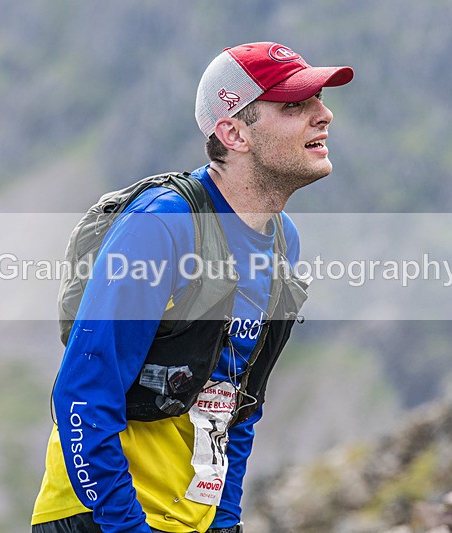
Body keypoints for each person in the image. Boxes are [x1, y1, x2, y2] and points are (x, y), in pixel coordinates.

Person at [31, 42, 353, 533]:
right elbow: (81, 393)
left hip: (191, 523)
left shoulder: (283, 241)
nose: (324, 114)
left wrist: (224, 522)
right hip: (102, 518)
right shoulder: (162, 226)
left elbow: (240, 405)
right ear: (234, 132)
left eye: (318, 101)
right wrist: (125, 526)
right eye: (295, 105)